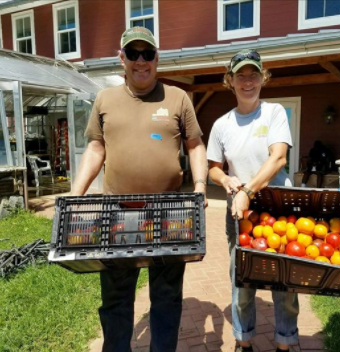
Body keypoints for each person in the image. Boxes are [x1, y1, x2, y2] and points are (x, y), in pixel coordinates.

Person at [70, 26, 207, 352]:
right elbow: (95, 148)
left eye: (148, 53)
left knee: (167, 296)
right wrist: (76, 194)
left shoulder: (178, 97)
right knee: (115, 296)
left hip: (170, 212)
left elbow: (195, 144)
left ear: (157, 58)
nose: (141, 60)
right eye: (133, 53)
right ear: (122, 59)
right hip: (118, 213)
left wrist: (200, 186)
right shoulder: (105, 99)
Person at [207, 49, 299, 352]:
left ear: (264, 77)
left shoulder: (273, 113)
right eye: (240, 75)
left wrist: (248, 190)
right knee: (242, 282)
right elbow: (213, 170)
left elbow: (279, 157)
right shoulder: (222, 124)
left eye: (254, 74)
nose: (248, 81)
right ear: (229, 81)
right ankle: (243, 342)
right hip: (238, 212)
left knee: (285, 282)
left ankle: (284, 343)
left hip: (277, 205)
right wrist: (227, 180)